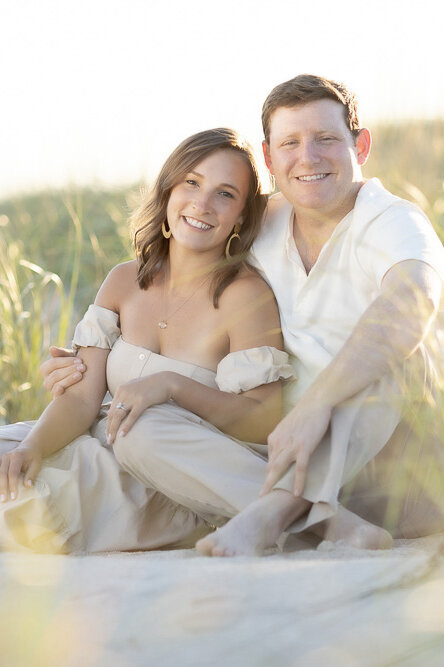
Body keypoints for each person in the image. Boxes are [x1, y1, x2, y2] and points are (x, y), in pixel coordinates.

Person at [41, 75, 444, 557]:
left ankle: (279, 512)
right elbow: (190, 253)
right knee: (137, 429)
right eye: (290, 143)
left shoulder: (391, 220)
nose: (308, 158)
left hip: (385, 459)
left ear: (361, 146)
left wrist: (317, 403)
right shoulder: (264, 220)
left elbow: (414, 301)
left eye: (327, 139)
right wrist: (90, 363)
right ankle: (316, 516)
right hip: (274, 452)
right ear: (269, 159)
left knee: (400, 349)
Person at [0, 127, 296, 553]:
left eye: (225, 194)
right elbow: (82, 401)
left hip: (163, 476)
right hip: (97, 443)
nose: (202, 204)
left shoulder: (243, 295)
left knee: (20, 508)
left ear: (242, 217)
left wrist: (172, 386)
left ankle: (298, 516)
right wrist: (32, 446)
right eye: (191, 182)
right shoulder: (124, 280)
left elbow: (261, 421)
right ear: (168, 189)